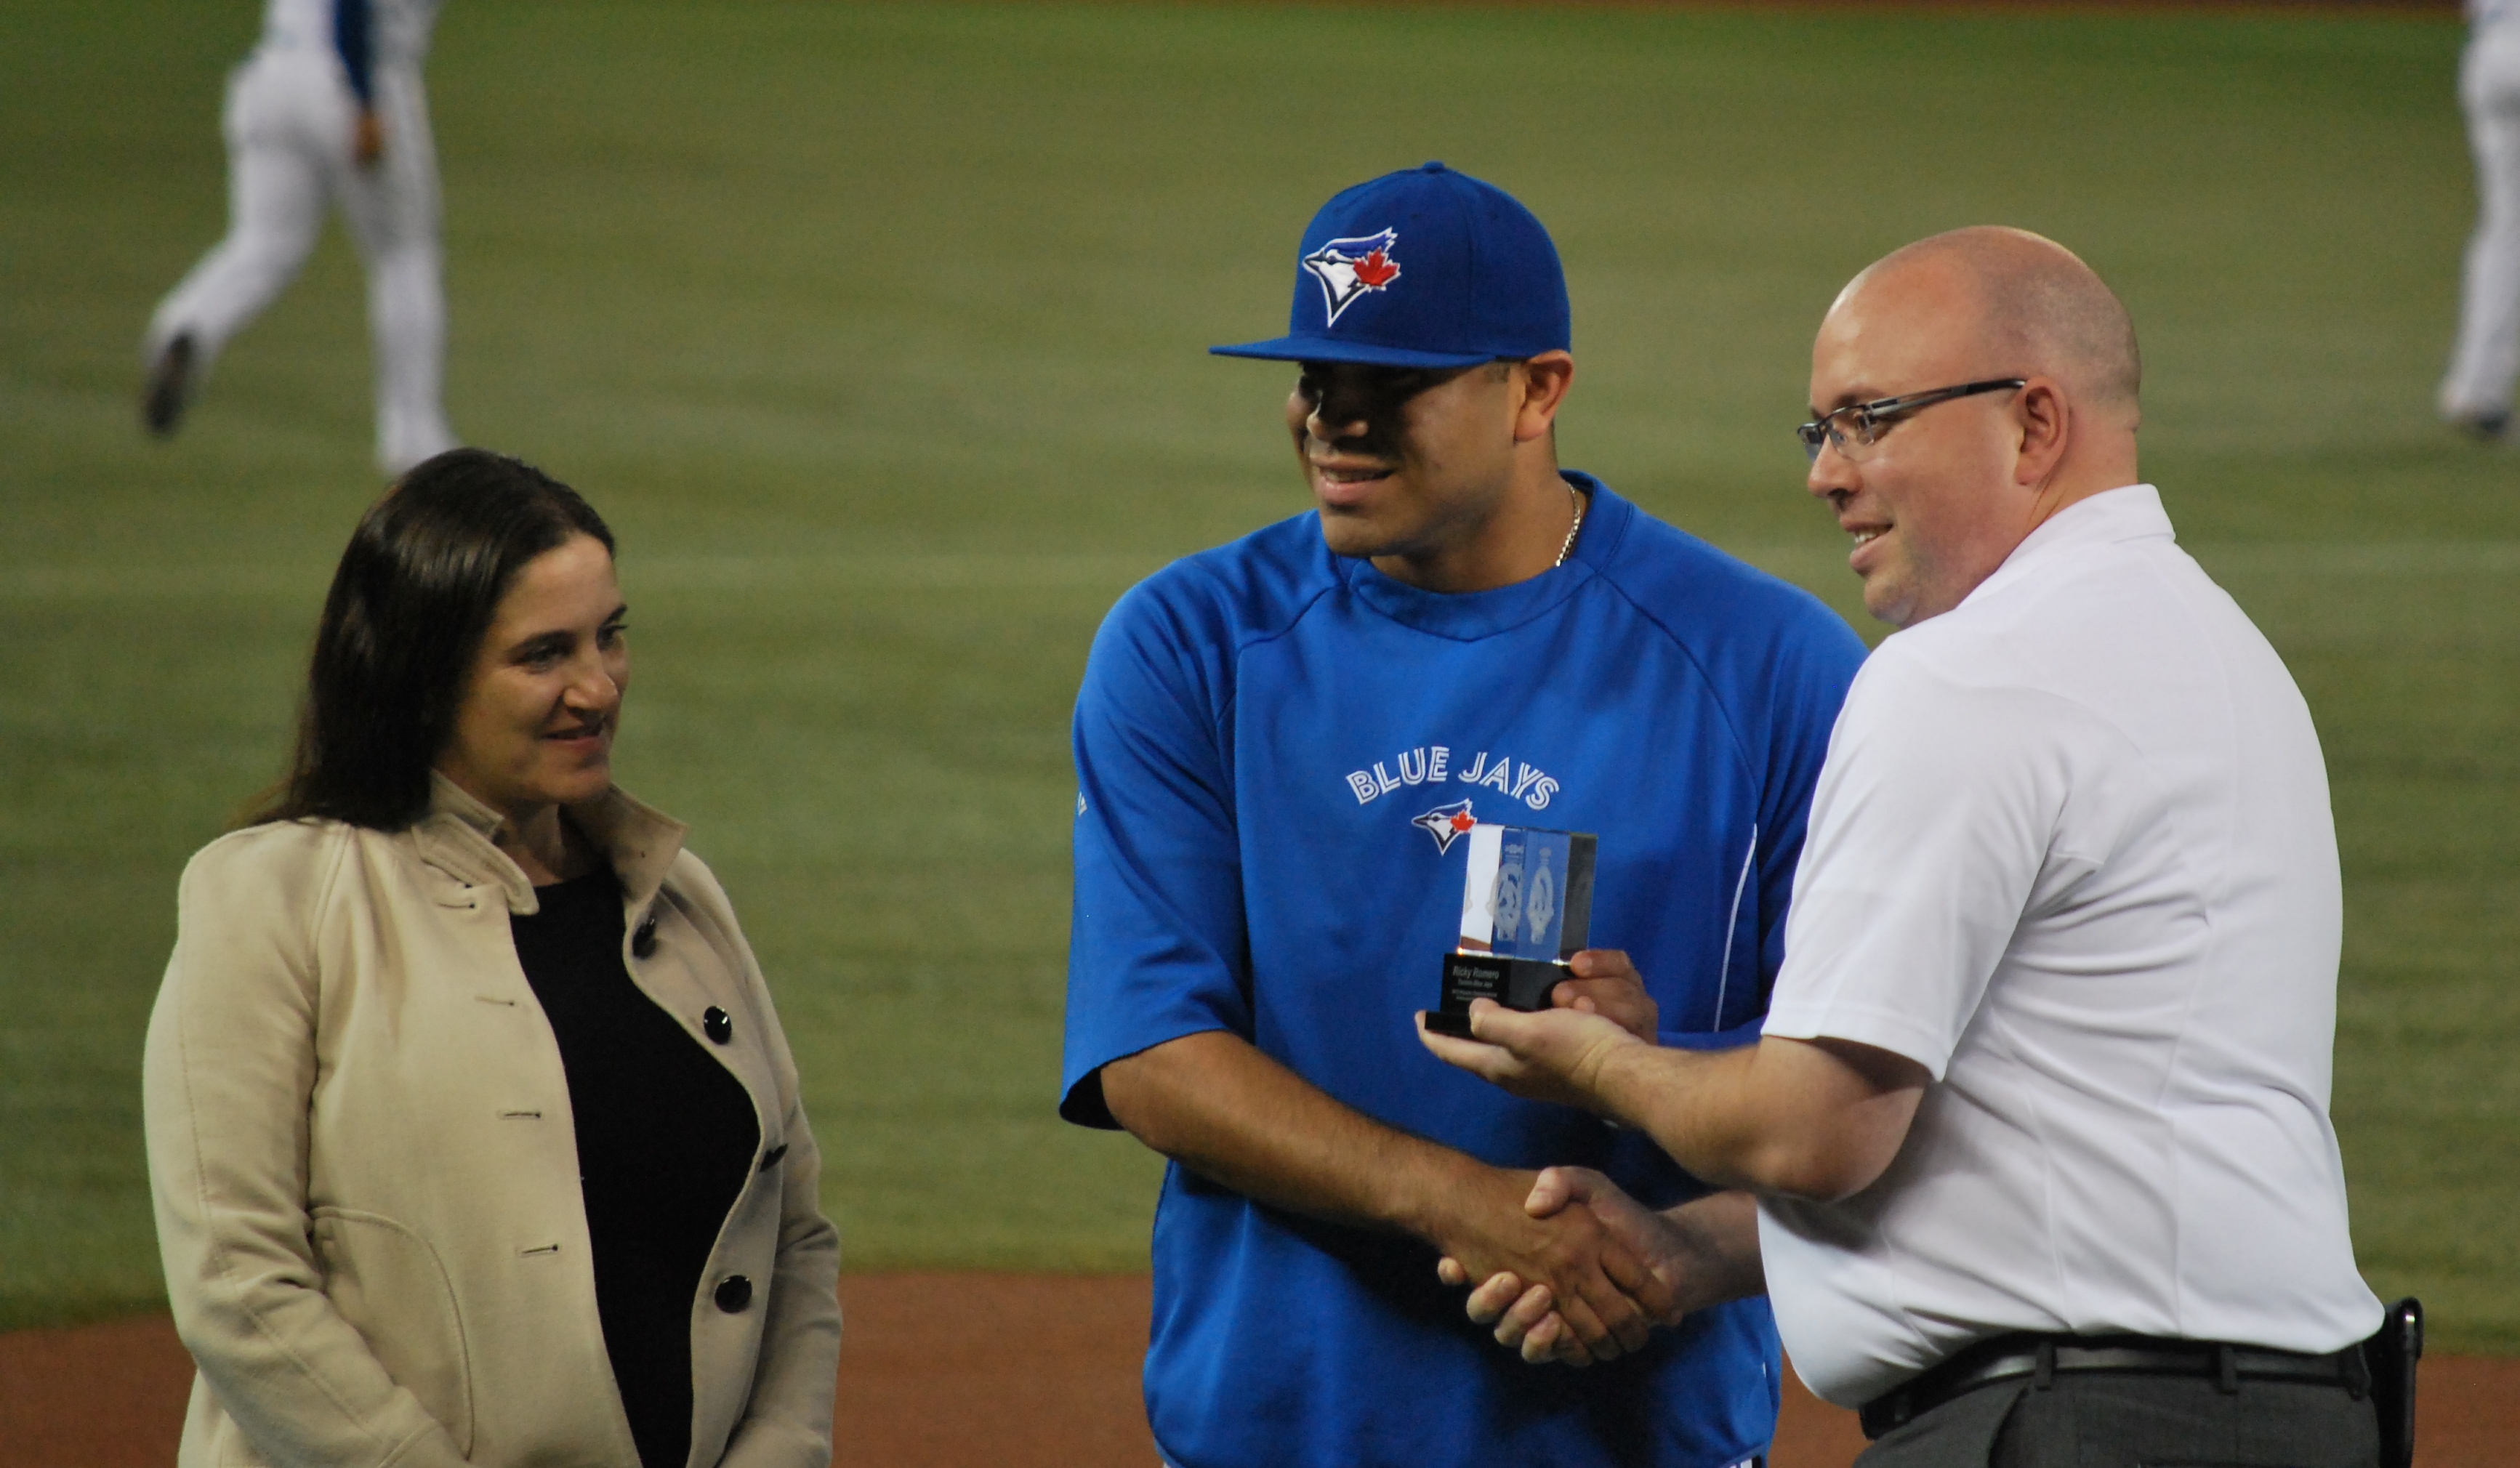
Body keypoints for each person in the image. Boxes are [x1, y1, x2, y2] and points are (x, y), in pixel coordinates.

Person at [1422, 227, 2389, 1467]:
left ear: (2032, 424)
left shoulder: (1968, 673)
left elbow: (1813, 1133)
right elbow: (2038, 1139)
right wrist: (1683, 1256)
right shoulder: (2224, 658)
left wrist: (1596, 1062)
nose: (1826, 474)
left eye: (1868, 419)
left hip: (2068, 1427)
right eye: (1818, 429)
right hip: (2284, 1417)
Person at [1058, 161, 1867, 1468]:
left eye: (1394, 388)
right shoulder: (1193, 643)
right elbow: (1152, 1054)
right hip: (1277, 1431)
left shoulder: (1769, 667)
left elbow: (1866, 1088)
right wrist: (1464, 1206)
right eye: (1317, 382)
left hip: (1631, 1433)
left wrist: (1662, 1079)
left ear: (1537, 390)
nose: (1337, 423)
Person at [142, 450, 840, 1468]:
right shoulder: (274, 902)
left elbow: (795, 1237)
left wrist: (778, 1455)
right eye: (543, 654)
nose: (596, 686)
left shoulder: (680, 898)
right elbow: (238, 1286)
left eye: (610, 636)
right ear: (421, 673)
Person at [141, 0, 459, 475]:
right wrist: (366, 98)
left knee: (264, 244)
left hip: (270, 75)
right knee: (404, 255)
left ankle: (186, 327)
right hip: (355, 78)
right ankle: (413, 436)